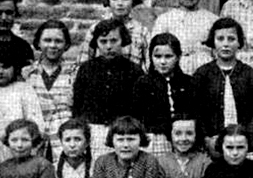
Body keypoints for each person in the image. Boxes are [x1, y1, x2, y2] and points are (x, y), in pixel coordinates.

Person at [192, 18, 253, 158]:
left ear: (239, 43)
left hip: (244, 146)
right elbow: (196, 111)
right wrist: (206, 138)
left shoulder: (249, 74)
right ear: (213, 42)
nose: (226, 44)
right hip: (212, 146)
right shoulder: (202, 74)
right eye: (220, 39)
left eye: (231, 39)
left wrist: (245, 138)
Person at [72, 19, 143, 160]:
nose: (109, 46)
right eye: (103, 42)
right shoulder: (86, 69)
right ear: (96, 43)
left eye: (114, 41)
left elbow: (138, 108)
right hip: (93, 130)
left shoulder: (134, 71)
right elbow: (78, 104)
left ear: (123, 41)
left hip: (122, 133)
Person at [132, 33, 194, 158]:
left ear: (178, 57)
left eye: (168, 56)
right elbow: (136, 116)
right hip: (154, 139)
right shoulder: (143, 83)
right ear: (151, 57)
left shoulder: (188, 82)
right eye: (157, 56)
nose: (163, 62)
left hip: (184, 138)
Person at [24, 19, 77, 161]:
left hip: (65, 141)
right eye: (47, 40)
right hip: (33, 140)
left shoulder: (74, 73)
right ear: (38, 43)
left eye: (58, 41)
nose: (53, 45)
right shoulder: (26, 74)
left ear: (66, 45)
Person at [151, 0, 219, 75]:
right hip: (176, 73)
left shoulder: (212, 19)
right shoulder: (165, 20)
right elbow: (156, 53)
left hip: (206, 73)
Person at [77, 0, 150, 70]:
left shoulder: (141, 31)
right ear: (109, 2)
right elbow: (83, 62)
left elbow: (148, 65)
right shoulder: (96, 29)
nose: (120, 3)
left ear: (133, 2)